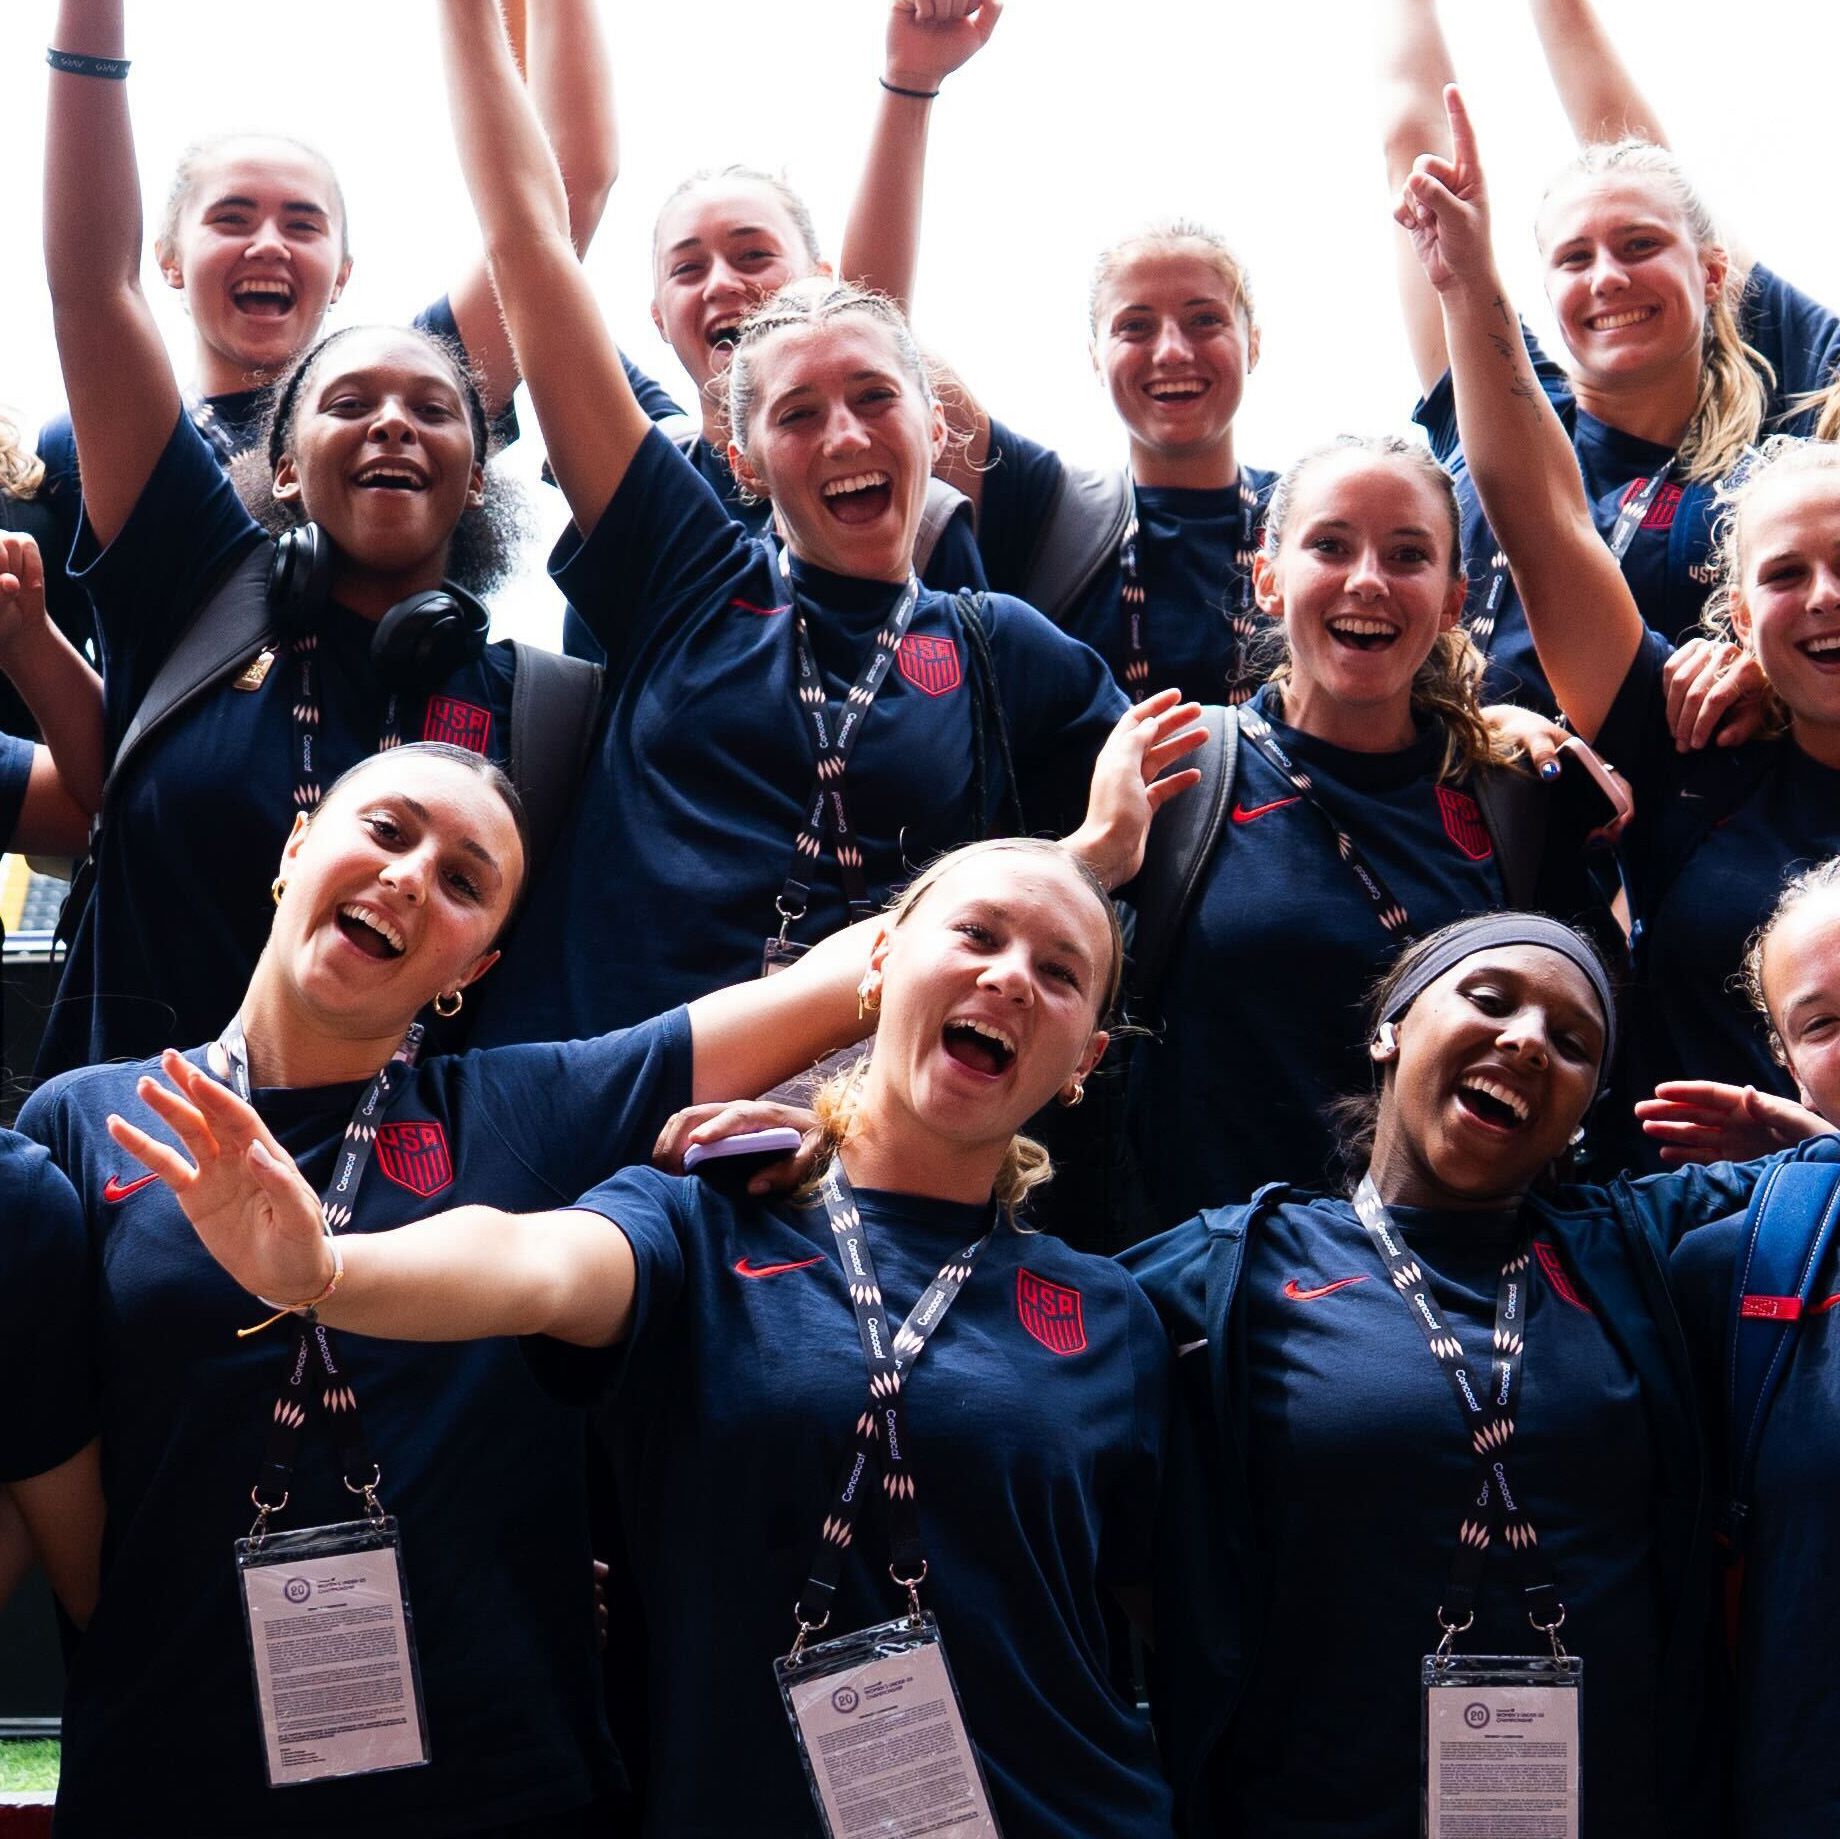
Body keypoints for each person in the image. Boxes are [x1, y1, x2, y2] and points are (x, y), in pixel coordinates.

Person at [124, 836, 1183, 1839]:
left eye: (1057, 972)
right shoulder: (697, 1221)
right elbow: (527, 1263)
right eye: (977, 936)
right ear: (883, 961)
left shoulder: (1111, 1315)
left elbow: (1161, 1612)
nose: (1008, 979)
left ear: (1084, 1057)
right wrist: (327, 1272)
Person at [18, 739, 900, 1838]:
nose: (410, 876)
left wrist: (1081, 861)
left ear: (470, 970)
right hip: (172, 1771)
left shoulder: (535, 1110)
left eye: (463, 882)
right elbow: (39, 1456)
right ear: (296, 850)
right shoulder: (82, 1120)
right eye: (387, 831)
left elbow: (865, 974)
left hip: (495, 1784)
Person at [435, 0, 1131, 1048]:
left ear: (933, 423)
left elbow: (1199, 810)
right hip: (608, 1108)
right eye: (798, 415)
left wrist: (1088, 849)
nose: (843, 435)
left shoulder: (1002, 649)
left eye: (872, 401)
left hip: (852, 1145)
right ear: (738, 455)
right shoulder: (684, 567)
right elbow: (531, 244)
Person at [1125, 910, 1824, 1838]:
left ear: (1583, 1115)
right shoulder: (1230, 1272)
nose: (1530, 1041)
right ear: (1391, 1030)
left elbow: (1823, 1196)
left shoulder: (1635, 1245)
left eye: (1574, 1044)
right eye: (1490, 1000)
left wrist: (1814, 1144)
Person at [34, 0, 603, 1075]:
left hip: (392, 1219)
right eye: (347, 405)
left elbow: (555, 202)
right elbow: (92, 289)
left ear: (479, 472)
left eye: (435, 408)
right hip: (114, 1186)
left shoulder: (547, 715)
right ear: (282, 466)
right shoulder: (195, 581)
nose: (392, 418)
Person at [1396, 81, 1840, 1125]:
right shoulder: (1688, 750)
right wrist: (1465, 287)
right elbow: (1543, 519)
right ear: (1732, 607)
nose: (1823, 599)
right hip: (1684, 1255)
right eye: (1784, 575)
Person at [1118, 432, 1615, 1231]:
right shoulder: (1176, 770)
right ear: (1269, 579)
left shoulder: (1514, 798)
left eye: (1408, 554)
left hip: (1451, 1294)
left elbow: (1585, 1043)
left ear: (1455, 600)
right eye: (1331, 545)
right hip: (1209, 1294)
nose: (1367, 581)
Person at [34, 0, 620, 620]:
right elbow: (94, 285)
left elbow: (562, 191)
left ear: (342, 274)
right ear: (170, 261)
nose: (268, 243)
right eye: (231, 219)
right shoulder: (99, 443)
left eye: (303, 224)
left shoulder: (412, 397)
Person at [1378, 0, 1840, 714]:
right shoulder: (1497, 404)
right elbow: (1415, 147)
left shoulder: (1764, 461)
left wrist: (1766, 675)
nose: (1607, 278)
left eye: (1640, 245)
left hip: (1658, 808)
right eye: (1573, 257)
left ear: (1713, 271)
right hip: (1452, 808)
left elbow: (1639, 162)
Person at [840, 0, 1276, 706]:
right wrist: (910, 84)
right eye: (1134, 326)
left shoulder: (1313, 520)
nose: (1171, 350)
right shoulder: (1049, 508)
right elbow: (867, 326)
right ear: (1095, 355)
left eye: (1203, 320)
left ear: (1253, 343)